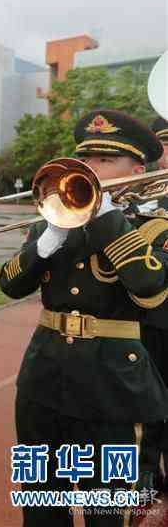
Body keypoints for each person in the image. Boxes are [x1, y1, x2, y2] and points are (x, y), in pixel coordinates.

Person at [0, 109, 168, 526]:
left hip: (110, 385)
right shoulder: (55, 218)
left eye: (106, 161)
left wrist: (109, 216)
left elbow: (151, 290)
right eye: (86, 159)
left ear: (137, 169)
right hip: (43, 377)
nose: (91, 169)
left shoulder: (154, 225)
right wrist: (44, 243)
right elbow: (9, 285)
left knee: (104, 508)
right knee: (40, 500)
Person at [138, 115, 168, 491]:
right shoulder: (142, 198)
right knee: (152, 391)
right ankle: (147, 467)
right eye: (163, 150)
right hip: (156, 311)